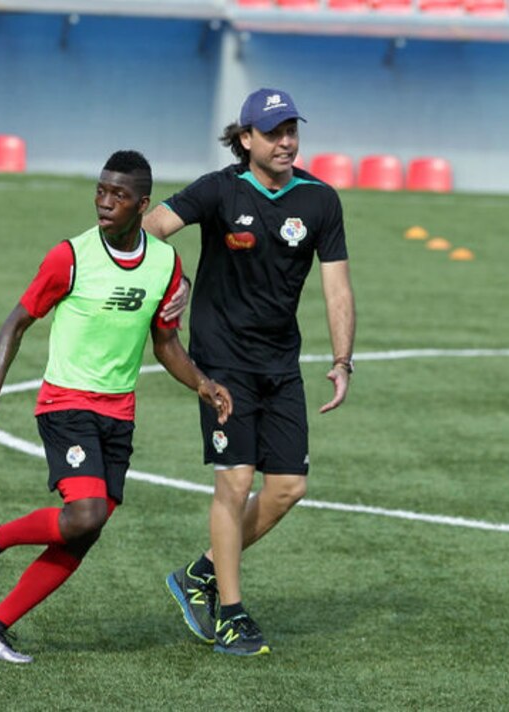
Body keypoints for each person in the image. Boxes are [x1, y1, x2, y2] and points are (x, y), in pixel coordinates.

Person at [0, 150, 232, 664]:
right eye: (101, 191)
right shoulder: (70, 256)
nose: (104, 202)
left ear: (142, 204)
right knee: (85, 514)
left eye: (118, 195)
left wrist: (202, 383)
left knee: (85, 530)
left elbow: (165, 343)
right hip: (65, 403)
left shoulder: (165, 263)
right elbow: (16, 322)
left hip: (118, 414)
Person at [143, 88, 356, 656]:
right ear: (245, 139)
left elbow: (337, 285)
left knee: (288, 488)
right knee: (235, 482)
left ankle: (200, 573)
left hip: (281, 363)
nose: (286, 141)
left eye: (292, 131)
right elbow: (152, 227)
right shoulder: (219, 190)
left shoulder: (320, 200)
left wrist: (342, 360)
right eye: (273, 132)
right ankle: (232, 616)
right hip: (221, 363)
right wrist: (176, 282)